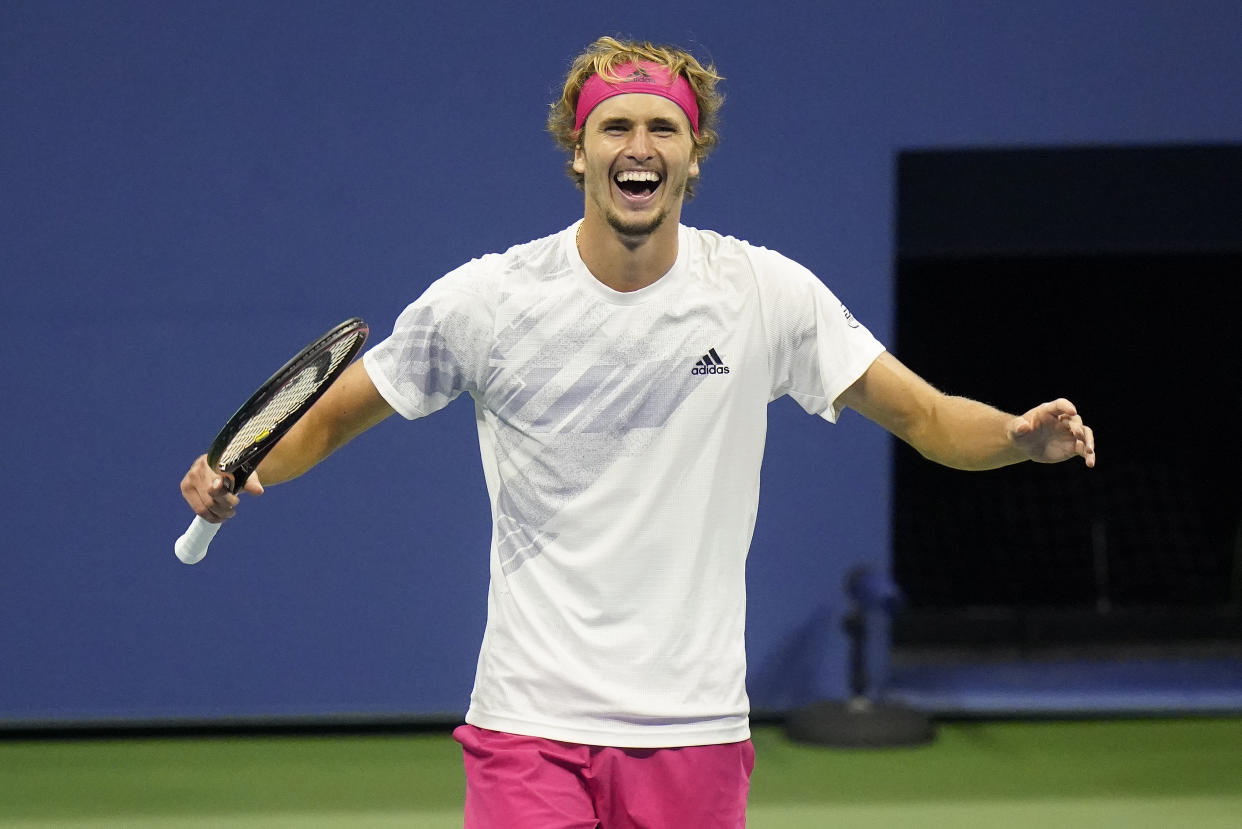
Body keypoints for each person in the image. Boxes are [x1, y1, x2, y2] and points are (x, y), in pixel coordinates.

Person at [180, 36, 1095, 829]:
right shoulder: (488, 300)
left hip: (691, 730)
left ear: (694, 157)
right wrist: (245, 468)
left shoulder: (766, 295)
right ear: (577, 153)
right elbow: (328, 415)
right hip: (529, 722)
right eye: (615, 126)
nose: (639, 145)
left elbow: (928, 418)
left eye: (663, 127)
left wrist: (1015, 436)